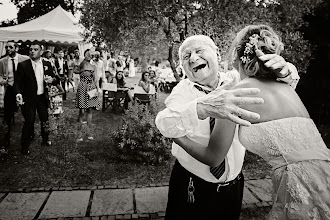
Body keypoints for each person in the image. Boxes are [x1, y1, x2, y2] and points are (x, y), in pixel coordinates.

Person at [177, 25, 330, 220]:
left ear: (235, 55)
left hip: (300, 185)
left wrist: (176, 136)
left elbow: (213, 157)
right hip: (325, 173)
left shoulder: (236, 94)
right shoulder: (286, 87)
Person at [155, 34, 300, 220]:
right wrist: (203, 107)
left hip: (234, 185)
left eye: (199, 51)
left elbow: (284, 84)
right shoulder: (182, 92)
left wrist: (286, 72)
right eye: (186, 56)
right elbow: (164, 122)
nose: (192, 58)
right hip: (191, 184)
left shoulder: (237, 79)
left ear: (216, 54)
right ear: (183, 68)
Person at [15, 42, 58, 155]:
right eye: (31, 49)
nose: (32, 51)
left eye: (35, 49)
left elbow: (56, 78)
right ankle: (24, 146)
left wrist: (51, 80)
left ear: (41, 51)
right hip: (29, 98)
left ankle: (45, 139)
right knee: (29, 121)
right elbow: (17, 83)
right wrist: (18, 94)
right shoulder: (23, 65)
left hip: (42, 97)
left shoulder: (47, 63)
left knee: (45, 119)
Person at [0, 40, 29, 154]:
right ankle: (5, 143)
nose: (8, 49)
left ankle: (26, 140)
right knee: (7, 116)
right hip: (10, 89)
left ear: (16, 48)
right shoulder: (2, 61)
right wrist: (3, 81)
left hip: (23, 91)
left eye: (10, 47)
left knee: (27, 115)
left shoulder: (25, 59)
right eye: (6, 47)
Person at [75, 49, 101, 141]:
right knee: (82, 111)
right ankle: (79, 134)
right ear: (84, 55)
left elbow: (96, 79)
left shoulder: (94, 66)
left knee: (90, 110)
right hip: (83, 86)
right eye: (87, 53)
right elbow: (75, 70)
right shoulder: (82, 63)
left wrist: (98, 90)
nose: (89, 55)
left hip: (92, 87)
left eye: (91, 54)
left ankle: (89, 132)